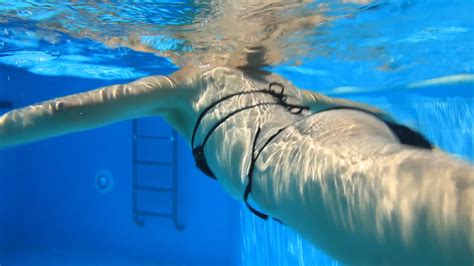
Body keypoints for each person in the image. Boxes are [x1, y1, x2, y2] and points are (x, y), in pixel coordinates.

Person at [0, 64, 473, 265]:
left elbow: (70, 111)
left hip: (274, 161)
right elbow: (363, 112)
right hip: (335, 124)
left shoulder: (186, 83)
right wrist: (416, 139)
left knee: (427, 219)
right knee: (406, 178)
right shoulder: (275, 77)